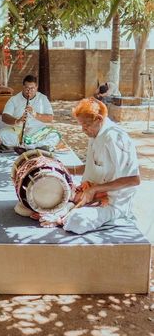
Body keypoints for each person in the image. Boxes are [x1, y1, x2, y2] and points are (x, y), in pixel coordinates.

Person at [46, 97, 140, 234]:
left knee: (77, 221)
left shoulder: (115, 138)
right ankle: (67, 214)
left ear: (99, 119)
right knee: (45, 202)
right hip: (91, 193)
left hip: (113, 202)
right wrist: (63, 168)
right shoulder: (94, 134)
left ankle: (70, 216)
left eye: (86, 125)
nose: (83, 129)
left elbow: (134, 179)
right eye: (81, 125)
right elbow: (92, 167)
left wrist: (95, 189)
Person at [0, 74, 60, 149]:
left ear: (36, 87)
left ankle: (25, 146)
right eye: (27, 88)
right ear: (23, 87)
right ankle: (36, 146)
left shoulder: (42, 98)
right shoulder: (14, 99)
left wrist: (35, 114)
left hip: (38, 131)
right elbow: (4, 117)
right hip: (18, 131)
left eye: (32, 88)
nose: (29, 91)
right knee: (3, 134)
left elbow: (50, 118)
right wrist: (17, 121)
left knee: (54, 135)